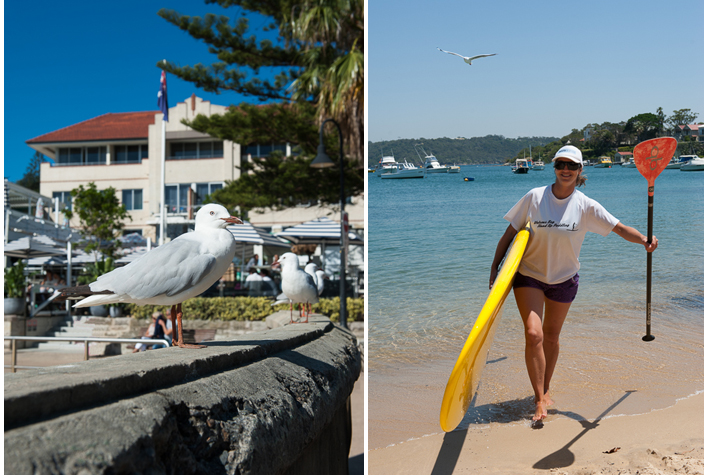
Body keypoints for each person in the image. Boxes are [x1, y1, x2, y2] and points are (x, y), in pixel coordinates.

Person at [490, 145, 658, 425]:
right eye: (560, 165)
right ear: (554, 167)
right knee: (534, 335)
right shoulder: (535, 197)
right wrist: (495, 267)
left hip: (564, 279)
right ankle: (539, 399)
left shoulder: (586, 206)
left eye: (571, 165)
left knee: (552, 337)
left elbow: (619, 228)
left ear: (580, 171)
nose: (565, 170)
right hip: (529, 274)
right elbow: (510, 233)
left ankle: (545, 388)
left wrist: (644, 240)